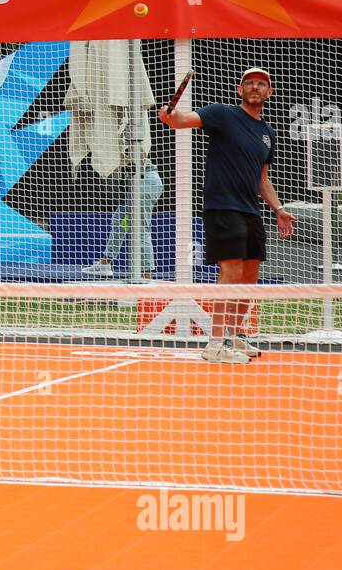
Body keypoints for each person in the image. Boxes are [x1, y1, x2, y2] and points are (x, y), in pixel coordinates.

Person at [158, 68, 296, 363]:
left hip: (251, 210)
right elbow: (184, 120)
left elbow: (262, 179)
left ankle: (233, 335)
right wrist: (171, 117)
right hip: (223, 206)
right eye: (250, 83)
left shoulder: (267, 133)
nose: (255, 87)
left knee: (249, 277)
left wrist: (279, 209)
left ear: (269, 93)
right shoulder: (223, 114)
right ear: (240, 89)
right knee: (230, 271)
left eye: (261, 84)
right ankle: (215, 343)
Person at [83, 150, 164, 278]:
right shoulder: (109, 155)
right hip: (138, 184)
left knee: (141, 228)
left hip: (145, 181)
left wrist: (134, 165)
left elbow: (141, 153)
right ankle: (105, 262)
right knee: (120, 220)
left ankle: (146, 274)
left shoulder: (127, 142)